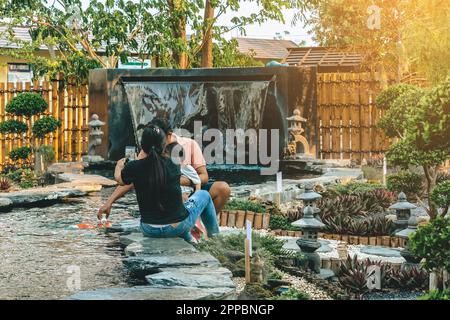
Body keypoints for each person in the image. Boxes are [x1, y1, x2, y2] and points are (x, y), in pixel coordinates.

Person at [103, 124, 219, 241]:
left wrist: (119, 166)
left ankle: (190, 240)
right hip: (176, 227)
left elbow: (119, 180)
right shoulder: (174, 163)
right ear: (163, 145)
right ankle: (215, 238)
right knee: (204, 195)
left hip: (149, 229)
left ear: (143, 146)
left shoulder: (134, 167)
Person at [98, 117, 231, 218]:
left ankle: (201, 223)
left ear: (169, 134)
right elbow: (131, 178)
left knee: (222, 188)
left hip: (191, 189)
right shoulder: (149, 149)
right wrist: (109, 202)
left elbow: (204, 176)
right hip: (166, 194)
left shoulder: (189, 144)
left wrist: (178, 180)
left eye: (159, 136)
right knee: (179, 196)